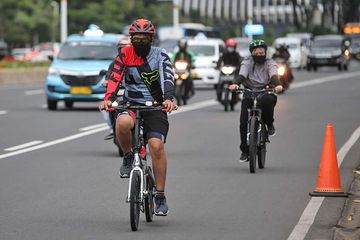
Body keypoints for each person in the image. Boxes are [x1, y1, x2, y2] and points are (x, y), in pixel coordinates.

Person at [98, 19, 177, 216]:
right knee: (122, 123)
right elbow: (115, 76)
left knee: (156, 146)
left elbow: (167, 75)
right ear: (131, 39)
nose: (140, 42)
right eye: (137, 39)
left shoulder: (160, 55)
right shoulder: (125, 54)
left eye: (144, 38)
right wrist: (108, 99)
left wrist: (167, 98)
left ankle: (160, 195)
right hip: (130, 103)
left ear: (151, 39)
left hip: (156, 105)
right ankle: (127, 157)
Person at [229, 39, 283, 162]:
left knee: (267, 101)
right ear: (252, 53)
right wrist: (235, 84)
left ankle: (269, 124)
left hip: (266, 91)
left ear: (265, 52)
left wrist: (278, 85)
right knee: (243, 122)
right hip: (249, 92)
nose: (259, 54)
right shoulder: (247, 62)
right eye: (256, 53)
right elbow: (242, 75)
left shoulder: (270, 63)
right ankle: (245, 151)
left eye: (261, 52)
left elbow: (274, 75)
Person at [101, 36, 132, 140]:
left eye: (126, 47)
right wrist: (106, 81)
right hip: (118, 93)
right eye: (121, 48)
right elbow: (109, 74)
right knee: (105, 106)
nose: (123, 50)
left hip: (133, 93)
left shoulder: (137, 61)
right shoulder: (115, 62)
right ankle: (111, 128)